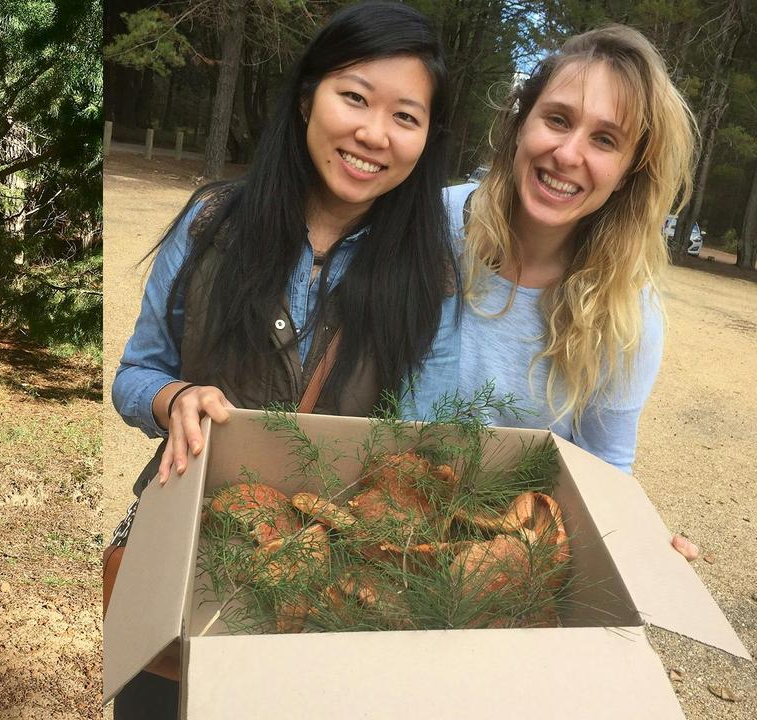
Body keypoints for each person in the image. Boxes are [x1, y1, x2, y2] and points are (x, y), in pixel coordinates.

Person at [109, 3, 455, 715]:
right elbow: (134, 373)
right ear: (308, 97)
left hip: (321, 598)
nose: (372, 132)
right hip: (183, 565)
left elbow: (417, 449)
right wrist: (174, 400)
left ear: (426, 139)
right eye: (353, 96)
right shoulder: (212, 226)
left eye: (405, 116)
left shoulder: (430, 279)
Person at [402, 26, 701, 558]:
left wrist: (639, 548)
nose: (568, 153)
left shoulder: (628, 311)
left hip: (502, 560)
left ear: (631, 171)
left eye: (604, 139)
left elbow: (606, 465)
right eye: (558, 119)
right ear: (521, 122)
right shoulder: (427, 220)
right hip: (375, 507)